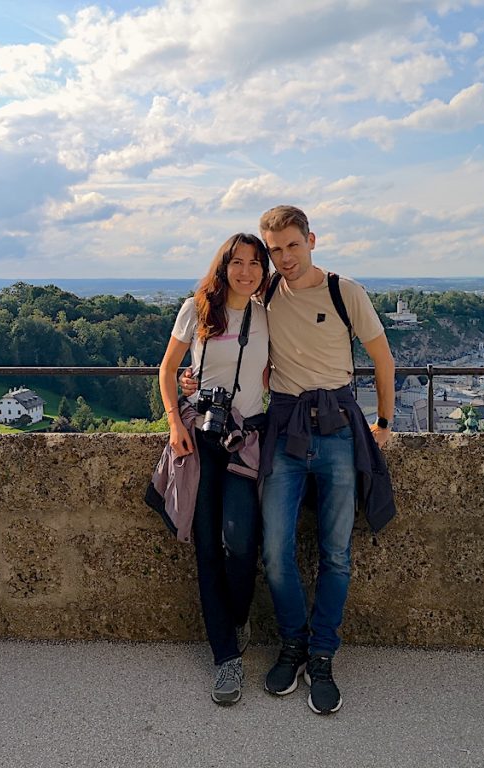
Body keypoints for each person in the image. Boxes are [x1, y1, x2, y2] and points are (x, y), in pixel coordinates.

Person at [183, 206, 397, 716]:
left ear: (312, 241)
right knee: (275, 552)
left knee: (336, 552)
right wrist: (193, 380)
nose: (283, 258)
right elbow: (230, 340)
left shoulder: (347, 293)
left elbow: (382, 358)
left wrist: (384, 423)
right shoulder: (266, 295)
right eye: (274, 250)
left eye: (291, 246)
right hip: (283, 429)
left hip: (339, 427)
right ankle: (293, 645)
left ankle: (321, 655)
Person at [156, 232, 270, 706]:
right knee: (206, 546)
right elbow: (168, 370)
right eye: (236, 262)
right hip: (202, 435)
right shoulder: (197, 309)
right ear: (222, 267)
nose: (245, 271)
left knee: (241, 542)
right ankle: (226, 657)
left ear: (264, 271)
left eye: (254, 263)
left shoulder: (269, 313)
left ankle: (238, 616)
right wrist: (172, 423)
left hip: (246, 438)